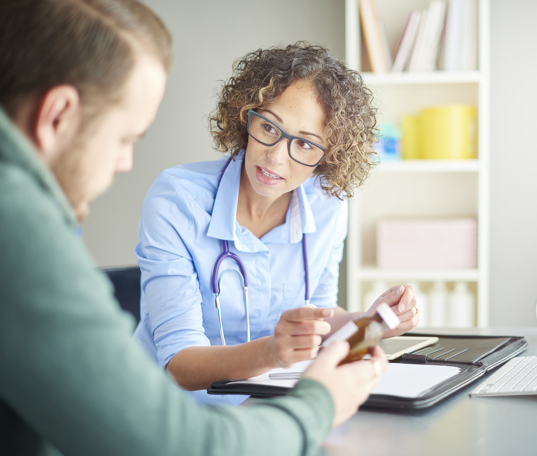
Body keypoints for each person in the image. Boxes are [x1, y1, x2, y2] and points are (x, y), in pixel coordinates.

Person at [0, 1, 389, 455]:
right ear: (57, 116)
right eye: (125, 139)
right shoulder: (1, 225)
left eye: (303, 144)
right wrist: (318, 403)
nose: (125, 163)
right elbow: (180, 442)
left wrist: (364, 322)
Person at [134, 43, 421, 406]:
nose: (275, 156)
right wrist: (273, 351)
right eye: (269, 126)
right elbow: (179, 365)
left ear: (328, 157)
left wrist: (370, 320)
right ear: (245, 115)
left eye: (304, 144)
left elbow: (317, 322)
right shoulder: (177, 200)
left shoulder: (328, 206)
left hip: (268, 405)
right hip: (169, 411)